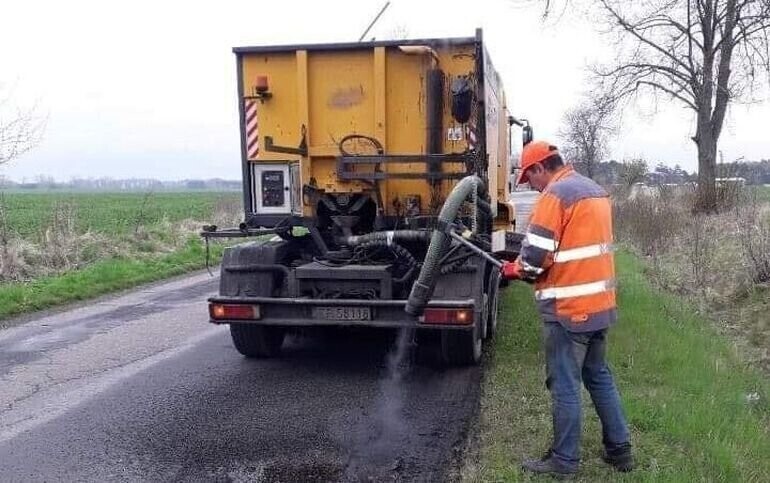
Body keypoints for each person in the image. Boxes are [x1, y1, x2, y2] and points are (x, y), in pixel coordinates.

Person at [511, 141, 634, 477]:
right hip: (600, 305)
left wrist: (514, 269)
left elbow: (535, 260)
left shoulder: (555, 196)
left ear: (540, 168)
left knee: (565, 383)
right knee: (598, 375)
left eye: (529, 178)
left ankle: (564, 462)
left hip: (569, 311)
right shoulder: (594, 191)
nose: (532, 186)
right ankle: (620, 451)